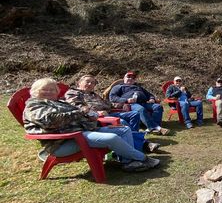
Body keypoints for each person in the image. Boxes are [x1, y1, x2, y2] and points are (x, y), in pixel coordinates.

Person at [23, 78, 160, 172]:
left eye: (52, 89)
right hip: (64, 141)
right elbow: (50, 121)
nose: (49, 92)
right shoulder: (34, 105)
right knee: (111, 138)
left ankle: (128, 162)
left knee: (123, 129)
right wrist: (82, 113)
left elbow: (84, 114)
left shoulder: (59, 103)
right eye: (45, 90)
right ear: (35, 91)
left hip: (81, 132)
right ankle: (143, 158)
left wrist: (90, 117)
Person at [64, 74, 160, 153]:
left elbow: (109, 104)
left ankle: (132, 141)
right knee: (121, 122)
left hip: (108, 114)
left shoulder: (94, 95)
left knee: (134, 114)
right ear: (79, 83)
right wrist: (95, 112)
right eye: (87, 82)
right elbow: (77, 107)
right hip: (94, 118)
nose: (90, 84)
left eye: (92, 83)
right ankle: (142, 144)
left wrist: (122, 104)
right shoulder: (73, 93)